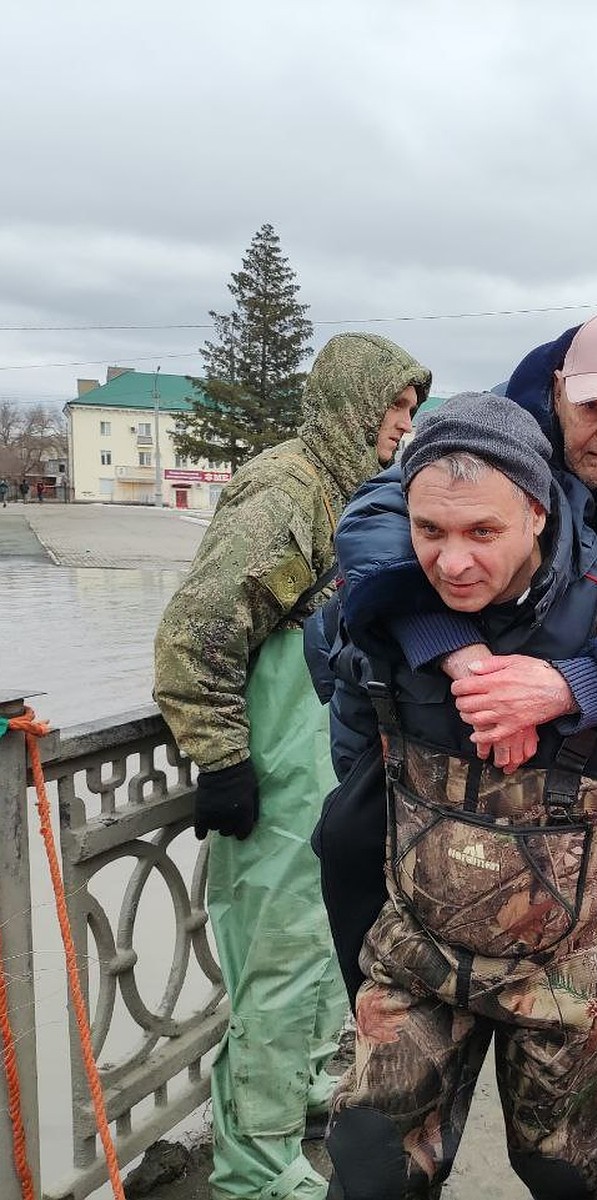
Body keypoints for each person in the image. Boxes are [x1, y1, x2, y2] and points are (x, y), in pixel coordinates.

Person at [326, 307, 597, 1018]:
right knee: (345, 835)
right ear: (558, 389)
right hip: (471, 680)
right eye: (594, 408)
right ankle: (370, 1008)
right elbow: (376, 521)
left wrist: (575, 685)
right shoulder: (492, 426)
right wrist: (453, 649)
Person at [320, 393, 597, 1199]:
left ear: (536, 510)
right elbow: (354, 709)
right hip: (418, 947)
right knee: (368, 1170)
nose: (452, 561)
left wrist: (579, 691)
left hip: (576, 968)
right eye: (431, 531)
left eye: (482, 533)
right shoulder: (388, 596)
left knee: (563, 1179)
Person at [153, 333, 431, 1200]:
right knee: (273, 968)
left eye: (413, 410)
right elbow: (194, 634)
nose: (404, 425)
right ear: (355, 400)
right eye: (396, 406)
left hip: (318, 768)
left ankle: (302, 1092)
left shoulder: (348, 491)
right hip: (271, 775)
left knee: (314, 950)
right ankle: (254, 1165)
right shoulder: (290, 490)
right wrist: (222, 760)